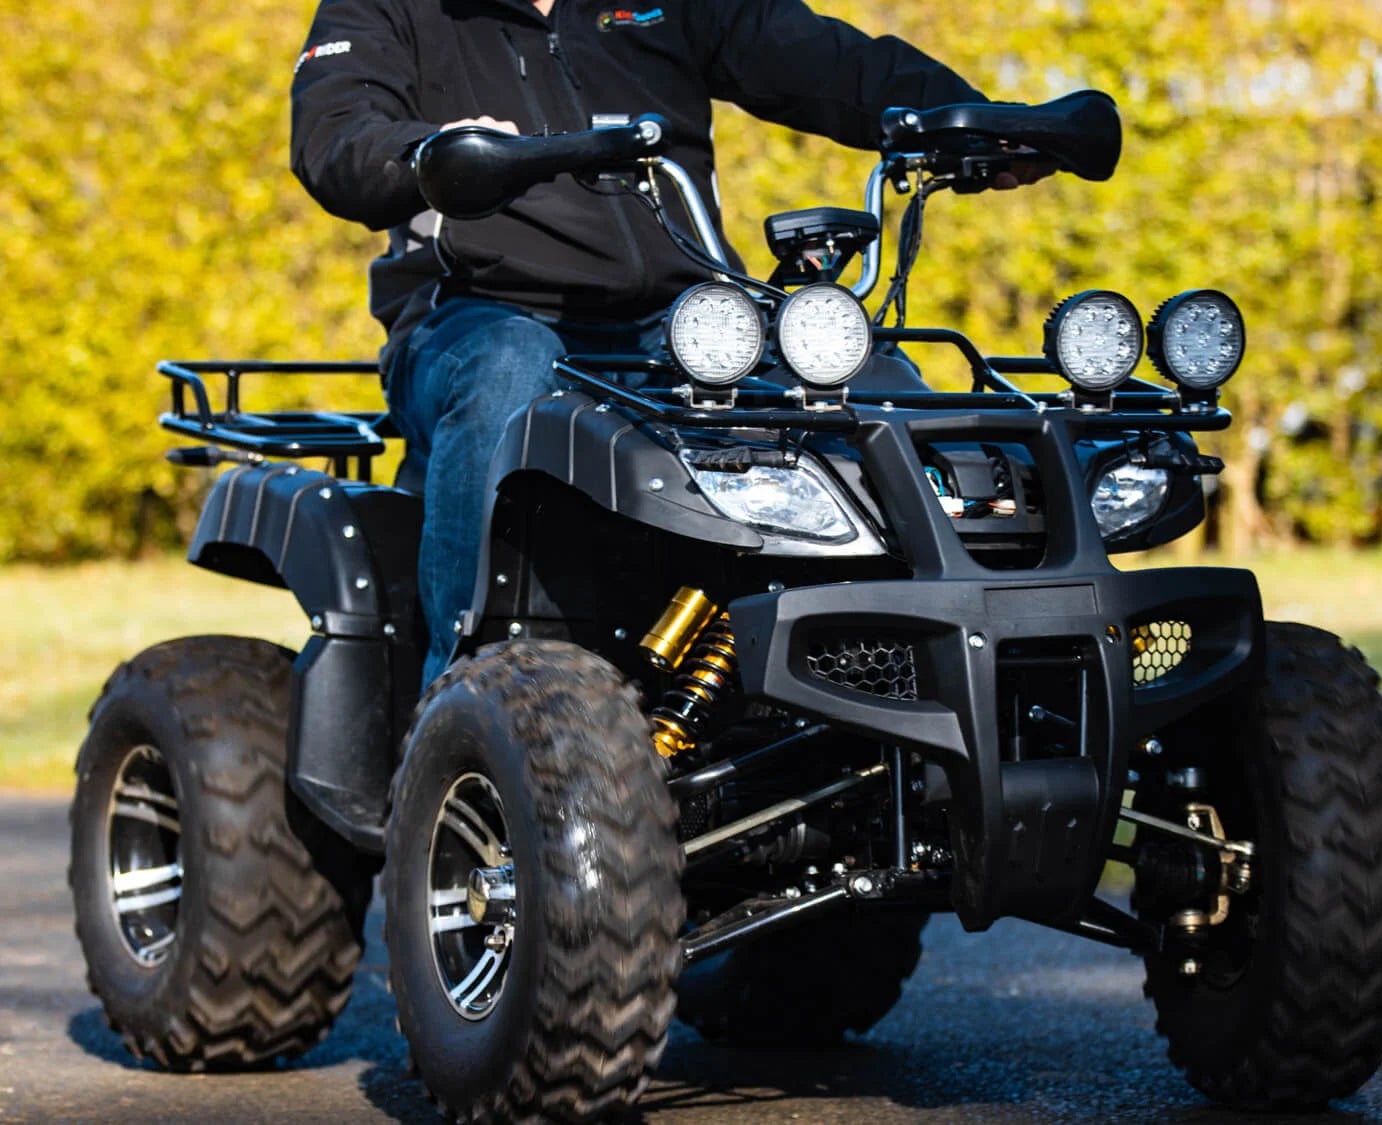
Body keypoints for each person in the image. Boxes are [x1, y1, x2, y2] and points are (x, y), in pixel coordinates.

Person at [291, 0, 1036, 688]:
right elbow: (335, 134)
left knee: (860, 376)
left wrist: (975, 120)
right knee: (508, 369)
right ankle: (467, 698)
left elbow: (819, 57)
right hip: (475, 314)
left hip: (682, 319)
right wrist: (433, 153)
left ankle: (937, 675)